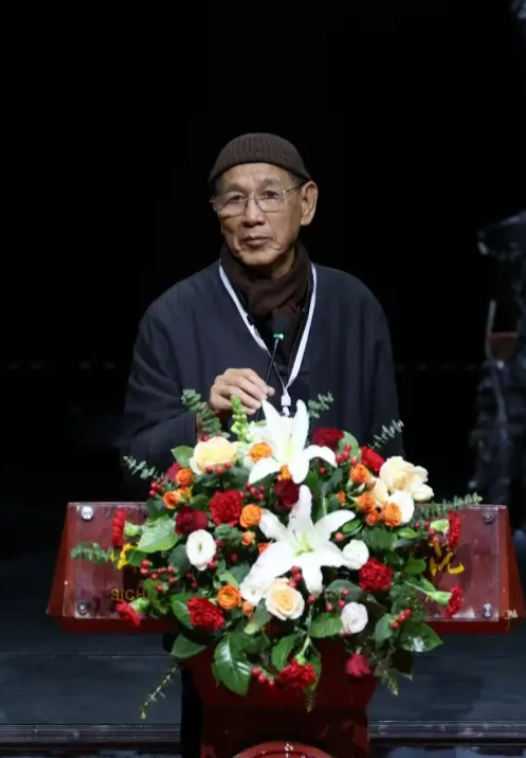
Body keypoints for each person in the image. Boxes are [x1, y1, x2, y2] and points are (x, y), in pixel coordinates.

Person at [119, 132, 403, 758]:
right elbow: (135, 458)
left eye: (271, 196)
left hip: (340, 596)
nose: (252, 216)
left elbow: (390, 454)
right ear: (215, 212)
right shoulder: (173, 316)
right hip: (219, 598)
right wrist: (203, 420)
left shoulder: (353, 307)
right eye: (234, 200)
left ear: (308, 203)